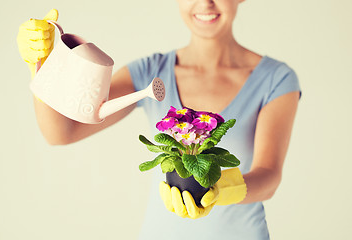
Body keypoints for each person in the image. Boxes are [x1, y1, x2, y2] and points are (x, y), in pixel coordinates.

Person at [17, 1, 301, 239]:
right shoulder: (150, 71)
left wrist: (220, 188)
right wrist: (41, 66)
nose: (205, 3)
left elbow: (270, 176)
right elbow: (61, 132)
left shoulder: (276, 78)